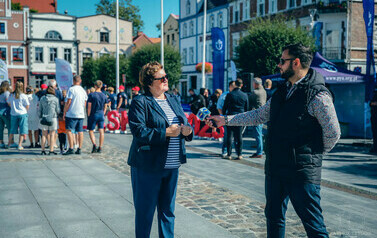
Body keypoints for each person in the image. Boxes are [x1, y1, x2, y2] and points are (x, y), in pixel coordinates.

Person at [207, 43, 341, 237]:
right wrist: (225, 120)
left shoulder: (317, 95)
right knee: (274, 217)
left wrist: (312, 155)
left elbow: (333, 133)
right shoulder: (283, 90)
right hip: (276, 168)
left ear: (295, 63)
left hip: (302, 172)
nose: (279, 65)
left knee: (313, 225)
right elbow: (260, 115)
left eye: (282, 61)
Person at [128, 61, 193, 238]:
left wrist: (188, 130)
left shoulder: (172, 99)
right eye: (161, 78)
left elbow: (183, 122)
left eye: (166, 77)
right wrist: (166, 132)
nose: (166, 80)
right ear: (150, 82)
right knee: (145, 213)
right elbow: (139, 132)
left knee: (168, 212)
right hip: (148, 166)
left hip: (172, 165)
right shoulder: (141, 102)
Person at [222, 78, 248, 160]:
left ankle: (229, 154)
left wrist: (224, 115)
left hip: (230, 116)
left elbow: (224, 106)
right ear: (241, 85)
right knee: (239, 136)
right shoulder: (244, 95)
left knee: (230, 136)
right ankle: (239, 154)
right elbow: (247, 108)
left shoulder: (230, 94)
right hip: (240, 116)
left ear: (235, 85)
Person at [63, 75, 88, 155]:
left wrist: (65, 112)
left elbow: (69, 102)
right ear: (80, 81)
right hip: (80, 113)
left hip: (71, 113)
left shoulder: (71, 89)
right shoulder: (83, 90)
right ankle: (79, 148)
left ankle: (71, 148)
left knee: (69, 130)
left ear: (73, 81)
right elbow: (85, 102)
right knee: (80, 131)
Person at [7, 81, 29, 150]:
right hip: (22, 113)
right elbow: (27, 105)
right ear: (22, 87)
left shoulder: (11, 95)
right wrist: (25, 110)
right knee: (22, 130)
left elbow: (8, 103)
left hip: (13, 113)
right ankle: (19, 145)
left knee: (12, 130)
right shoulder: (23, 95)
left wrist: (13, 108)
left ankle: (9, 144)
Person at [87, 80, 108, 153]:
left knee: (91, 130)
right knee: (101, 131)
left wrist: (88, 115)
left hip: (93, 114)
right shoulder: (104, 95)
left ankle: (94, 145)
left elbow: (89, 106)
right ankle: (100, 147)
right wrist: (103, 113)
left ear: (95, 86)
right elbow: (106, 107)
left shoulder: (91, 95)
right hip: (101, 114)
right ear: (101, 86)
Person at [248, 77, 267, 158]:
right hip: (263, 114)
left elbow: (249, 102)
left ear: (255, 84)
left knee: (258, 134)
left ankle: (259, 152)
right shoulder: (264, 91)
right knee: (260, 133)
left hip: (257, 115)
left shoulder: (255, 92)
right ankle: (260, 150)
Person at [39, 86, 60, 155]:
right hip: (53, 118)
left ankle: (43, 150)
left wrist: (40, 116)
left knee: (44, 135)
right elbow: (58, 110)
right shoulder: (55, 99)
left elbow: (40, 109)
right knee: (52, 134)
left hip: (44, 117)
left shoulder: (42, 98)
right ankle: (51, 150)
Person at [217, 81, 235, 157]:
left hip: (235, 118)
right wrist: (223, 116)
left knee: (234, 136)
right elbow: (219, 107)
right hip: (226, 118)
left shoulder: (236, 94)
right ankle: (225, 151)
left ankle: (232, 151)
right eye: (233, 86)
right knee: (227, 135)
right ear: (230, 86)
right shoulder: (224, 95)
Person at [0, 81, 11, 148]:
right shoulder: (7, 93)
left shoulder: (0, 93)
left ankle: (1, 142)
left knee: (0, 128)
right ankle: (10, 142)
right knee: (10, 127)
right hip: (5, 112)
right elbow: (8, 102)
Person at [370, 88, 377, 153]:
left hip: (375, 118)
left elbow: (372, 103)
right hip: (374, 117)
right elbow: (371, 104)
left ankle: (375, 147)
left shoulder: (375, 96)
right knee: (374, 134)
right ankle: (375, 147)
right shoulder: (374, 95)